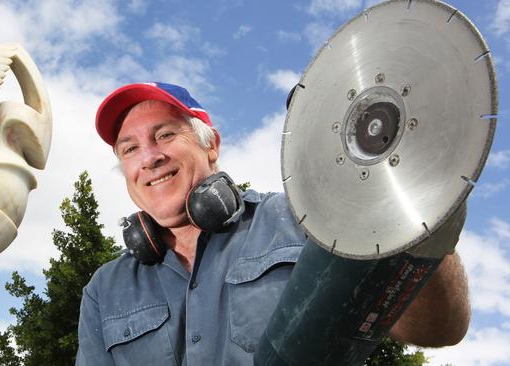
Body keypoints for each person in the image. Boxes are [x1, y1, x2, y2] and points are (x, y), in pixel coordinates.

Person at [76, 82, 470, 365]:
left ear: (211, 145)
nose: (148, 158)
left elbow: (437, 330)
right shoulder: (104, 290)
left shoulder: (306, 222)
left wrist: (420, 217)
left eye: (164, 135)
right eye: (130, 149)